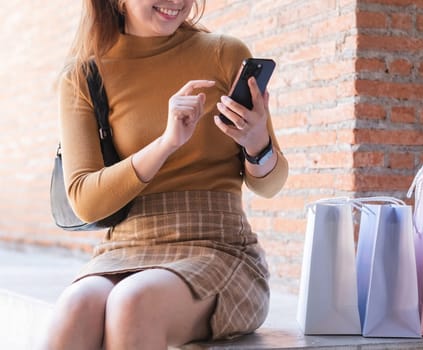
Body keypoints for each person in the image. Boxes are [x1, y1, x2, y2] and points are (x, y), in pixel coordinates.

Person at [37, 0, 288, 348]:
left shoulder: (224, 53)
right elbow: (85, 201)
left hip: (219, 248)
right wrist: (167, 143)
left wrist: (257, 142)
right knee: (74, 307)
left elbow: (271, 184)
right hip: (125, 248)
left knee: (133, 303)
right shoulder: (84, 76)